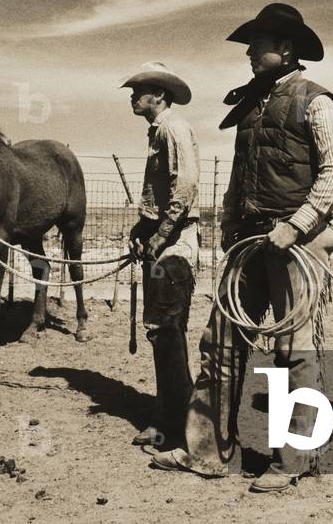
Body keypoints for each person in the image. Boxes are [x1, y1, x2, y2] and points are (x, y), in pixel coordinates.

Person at [151, 3, 333, 493]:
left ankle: (293, 461)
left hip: (294, 243)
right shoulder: (250, 106)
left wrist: (298, 224)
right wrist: (227, 225)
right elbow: (239, 175)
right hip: (248, 241)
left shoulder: (315, 101)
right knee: (219, 342)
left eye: (257, 43)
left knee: (291, 350)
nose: (248, 52)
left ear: (285, 48)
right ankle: (207, 451)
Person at [122, 62, 200, 449]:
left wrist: (161, 234)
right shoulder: (158, 132)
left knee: (168, 331)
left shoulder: (173, 128)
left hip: (175, 248)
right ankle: (166, 415)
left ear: (161, 96)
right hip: (162, 242)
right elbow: (161, 196)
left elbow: (184, 187)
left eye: (141, 90)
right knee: (160, 332)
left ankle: (177, 421)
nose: (134, 97)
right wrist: (143, 229)